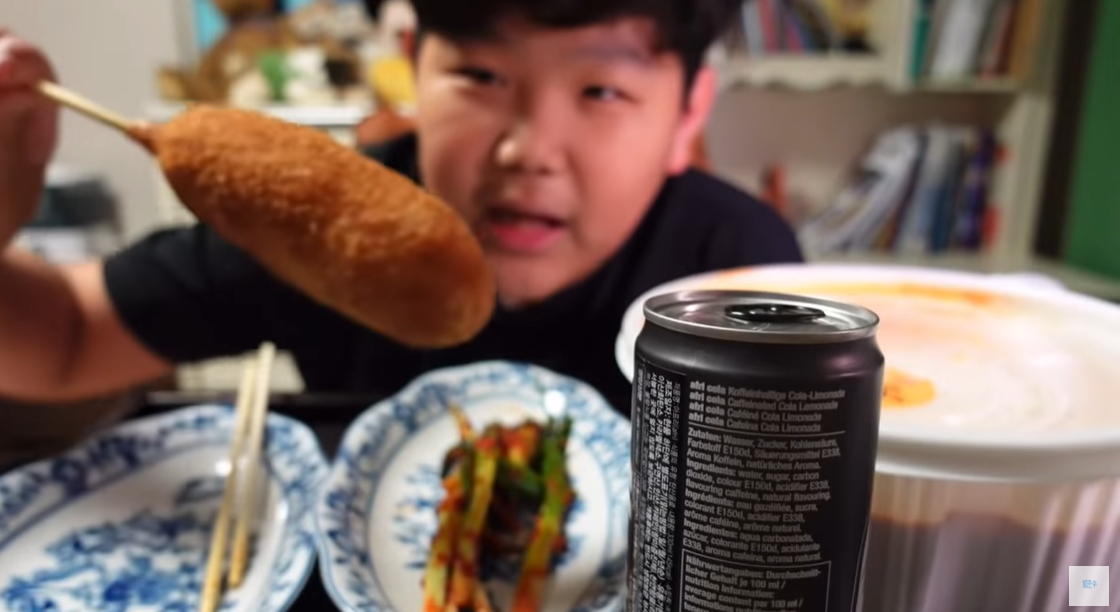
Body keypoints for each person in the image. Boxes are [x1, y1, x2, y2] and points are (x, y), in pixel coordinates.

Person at [0, 0, 802, 450]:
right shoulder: (323, 225)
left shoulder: (737, 270)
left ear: (689, 111)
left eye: (602, 92)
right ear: (414, 63)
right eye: (481, 74)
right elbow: (65, 338)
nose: (528, 152)